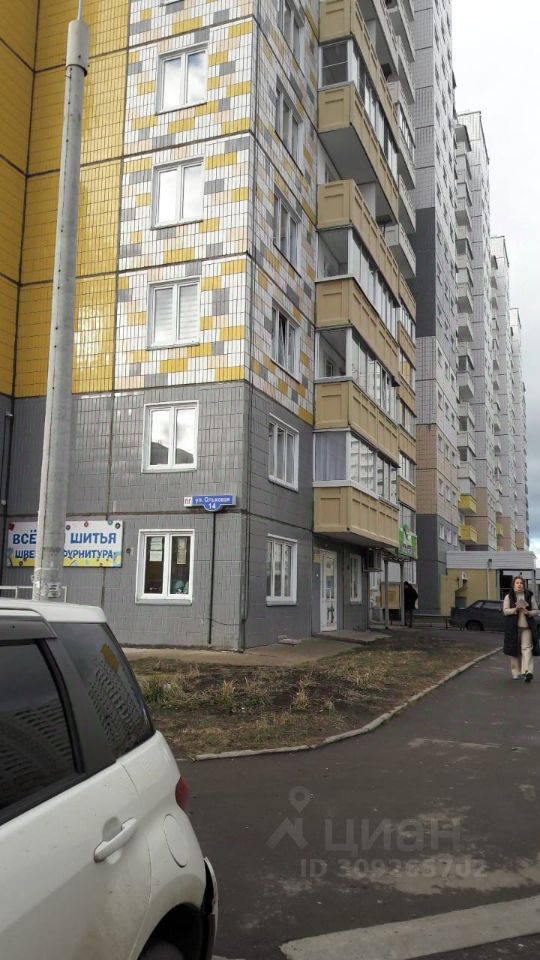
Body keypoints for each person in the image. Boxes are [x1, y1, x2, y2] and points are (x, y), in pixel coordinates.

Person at [503, 575, 539, 682]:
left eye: (521, 583)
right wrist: (515, 609)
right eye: (517, 583)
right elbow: (505, 611)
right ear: (513, 585)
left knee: (527, 649)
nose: (519, 585)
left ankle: (527, 672)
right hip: (513, 628)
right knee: (515, 650)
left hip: (527, 627)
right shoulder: (509, 596)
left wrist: (529, 612)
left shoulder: (529, 595)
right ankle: (516, 672)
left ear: (524, 585)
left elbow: (536, 610)